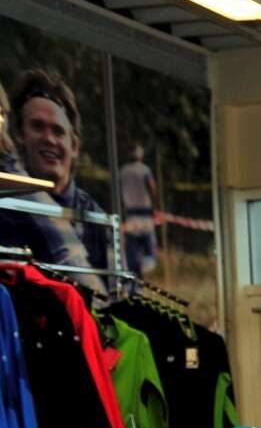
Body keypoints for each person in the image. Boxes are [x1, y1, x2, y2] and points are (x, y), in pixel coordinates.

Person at [8, 69, 110, 270]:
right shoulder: (6, 209)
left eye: (58, 131)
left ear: (75, 146)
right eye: (37, 126)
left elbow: (121, 287)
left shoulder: (98, 222)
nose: (49, 139)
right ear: (19, 135)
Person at [118, 143, 159, 276]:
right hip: (145, 215)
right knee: (150, 252)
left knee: (132, 253)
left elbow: (119, 192)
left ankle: (135, 278)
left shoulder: (123, 171)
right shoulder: (145, 170)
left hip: (130, 215)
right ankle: (144, 269)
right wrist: (155, 207)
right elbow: (152, 189)